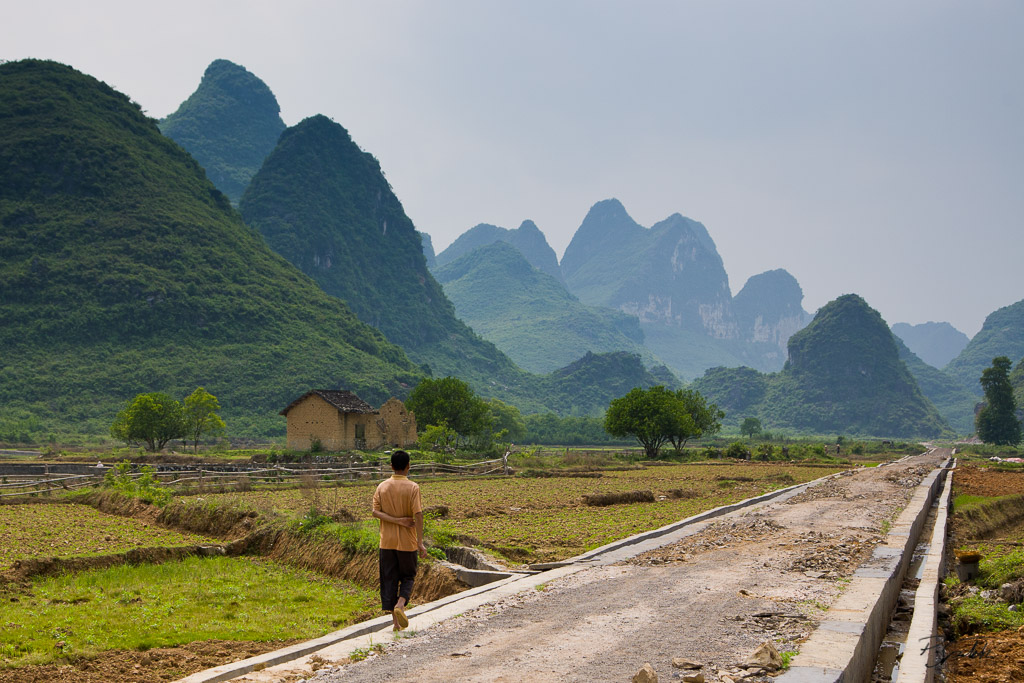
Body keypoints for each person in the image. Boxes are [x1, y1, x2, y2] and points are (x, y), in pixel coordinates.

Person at [371, 450, 427, 631]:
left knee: (390, 580)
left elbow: (375, 512)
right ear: (408, 466)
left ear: (391, 466)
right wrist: (420, 542)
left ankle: (396, 624)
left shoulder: (382, 487)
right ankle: (401, 604)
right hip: (407, 543)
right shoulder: (413, 487)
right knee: (408, 576)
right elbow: (418, 515)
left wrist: (395, 521)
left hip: (386, 542)